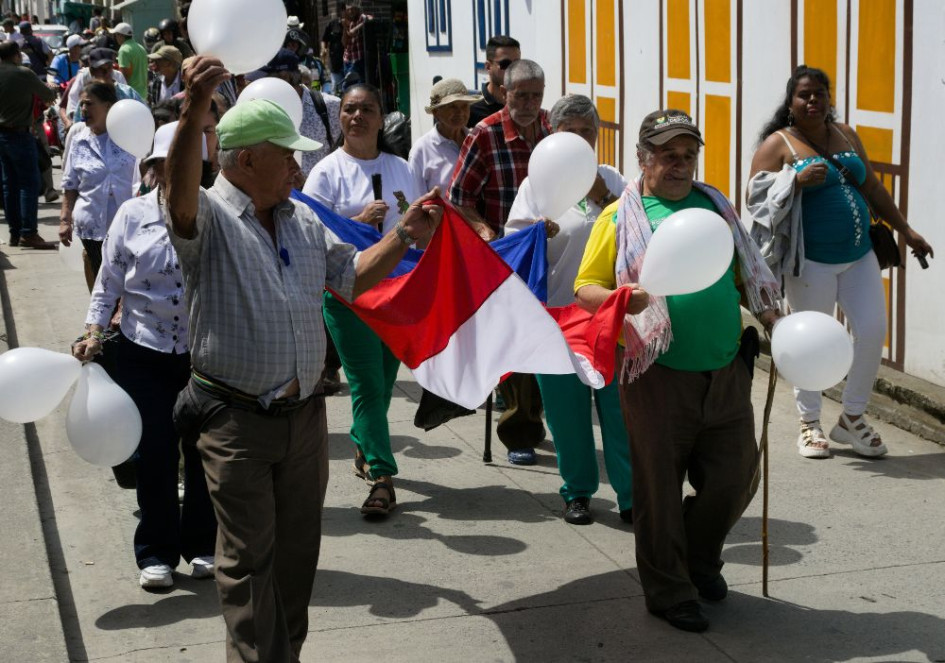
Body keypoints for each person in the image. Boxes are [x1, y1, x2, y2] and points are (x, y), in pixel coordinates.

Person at [165, 55, 442, 662]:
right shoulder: (208, 218)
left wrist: (404, 233)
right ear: (244, 161)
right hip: (235, 423)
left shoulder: (302, 221)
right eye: (286, 154)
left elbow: (354, 277)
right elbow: (179, 193)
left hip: (304, 424)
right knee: (246, 564)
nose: (299, 165)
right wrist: (193, 113)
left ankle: (285, 654)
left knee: (296, 559)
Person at [574, 109, 781, 632]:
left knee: (735, 478)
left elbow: (746, 276)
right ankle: (670, 591)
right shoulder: (619, 217)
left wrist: (777, 320)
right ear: (643, 159)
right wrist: (626, 298)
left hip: (727, 370)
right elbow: (585, 289)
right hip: (657, 374)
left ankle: (697, 557)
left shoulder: (716, 208)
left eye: (689, 154)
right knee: (659, 492)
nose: (681, 164)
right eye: (668, 155)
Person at [748, 65, 934, 459]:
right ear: (791, 101)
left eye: (820, 93)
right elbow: (755, 199)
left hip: (858, 254)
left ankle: (851, 418)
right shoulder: (778, 144)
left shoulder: (846, 134)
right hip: (810, 261)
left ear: (829, 98)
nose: (813, 100)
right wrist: (794, 181)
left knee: (871, 330)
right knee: (810, 342)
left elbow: (873, 186)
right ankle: (809, 423)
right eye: (804, 95)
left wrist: (907, 230)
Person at [71, 121, 218, 590]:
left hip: (202, 355)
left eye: (191, 167)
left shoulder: (216, 215)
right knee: (153, 452)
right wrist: (93, 329)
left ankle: (201, 545)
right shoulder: (132, 215)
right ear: (154, 169)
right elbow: (108, 281)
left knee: (202, 452)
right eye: (170, 166)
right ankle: (155, 552)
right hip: (143, 350)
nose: (181, 175)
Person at [506, 94, 632, 525]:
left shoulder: (613, 179)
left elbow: (637, 229)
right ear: (552, 135)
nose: (580, 139)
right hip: (557, 317)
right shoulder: (535, 185)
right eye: (570, 131)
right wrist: (538, 233)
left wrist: (603, 193)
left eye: (587, 132)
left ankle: (631, 495)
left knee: (618, 409)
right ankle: (577, 491)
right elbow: (515, 245)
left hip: (608, 317)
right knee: (567, 413)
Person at [302, 82, 424, 518]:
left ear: (380, 116)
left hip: (396, 293)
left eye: (366, 109)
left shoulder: (400, 167)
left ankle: (362, 440)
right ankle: (381, 475)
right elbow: (310, 232)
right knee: (368, 383)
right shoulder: (326, 171)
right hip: (347, 293)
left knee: (385, 381)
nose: (357, 116)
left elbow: (416, 220)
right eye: (350, 110)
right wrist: (355, 221)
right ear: (340, 119)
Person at [450, 58, 551, 465]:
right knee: (516, 344)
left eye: (536, 95)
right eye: (520, 95)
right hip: (507, 256)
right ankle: (519, 430)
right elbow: (460, 197)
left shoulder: (552, 130)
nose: (528, 103)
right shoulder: (485, 134)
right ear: (504, 92)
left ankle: (541, 415)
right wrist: (483, 232)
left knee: (547, 337)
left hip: (551, 250)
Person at [59, 82, 137, 285]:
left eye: (89, 104)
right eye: (82, 104)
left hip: (128, 226)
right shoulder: (78, 140)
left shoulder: (128, 137)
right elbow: (70, 184)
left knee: (129, 280)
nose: (83, 109)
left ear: (108, 106)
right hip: (92, 225)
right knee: (102, 281)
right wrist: (65, 220)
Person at [0, 40, 57, 248]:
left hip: (2, 136)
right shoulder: (23, 73)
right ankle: (29, 232)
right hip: (19, 134)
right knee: (28, 184)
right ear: (16, 55)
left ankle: (15, 233)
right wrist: (51, 88)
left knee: (9, 185)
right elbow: (48, 95)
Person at [261, 48, 341, 178]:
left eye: (267, 79)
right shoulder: (265, 110)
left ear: (285, 77)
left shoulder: (330, 106)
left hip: (322, 194)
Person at [408, 78, 480, 192]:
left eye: (464, 106)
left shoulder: (477, 140)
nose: (460, 112)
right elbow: (414, 198)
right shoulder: (422, 150)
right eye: (452, 106)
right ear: (436, 112)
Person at [468, 35, 520, 127]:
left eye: (517, 63)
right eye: (505, 64)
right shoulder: (471, 111)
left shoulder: (524, 104)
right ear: (488, 66)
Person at [112, 22, 149, 99]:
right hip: (143, 95)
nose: (115, 38)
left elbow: (124, 78)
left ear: (121, 35)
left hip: (131, 96)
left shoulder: (123, 50)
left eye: (116, 35)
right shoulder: (141, 47)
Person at [341, 2, 370, 82]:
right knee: (348, 86)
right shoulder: (349, 23)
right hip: (347, 60)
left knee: (358, 85)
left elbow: (369, 18)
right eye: (348, 10)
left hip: (358, 59)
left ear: (357, 9)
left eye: (352, 9)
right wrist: (344, 27)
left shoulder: (361, 18)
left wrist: (356, 28)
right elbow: (344, 43)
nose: (350, 12)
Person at [321, 4, 345, 94]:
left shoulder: (351, 24)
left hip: (348, 61)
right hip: (335, 62)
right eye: (343, 10)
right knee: (336, 87)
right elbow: (324, 39)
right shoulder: (332, 24)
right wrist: (323, 49)